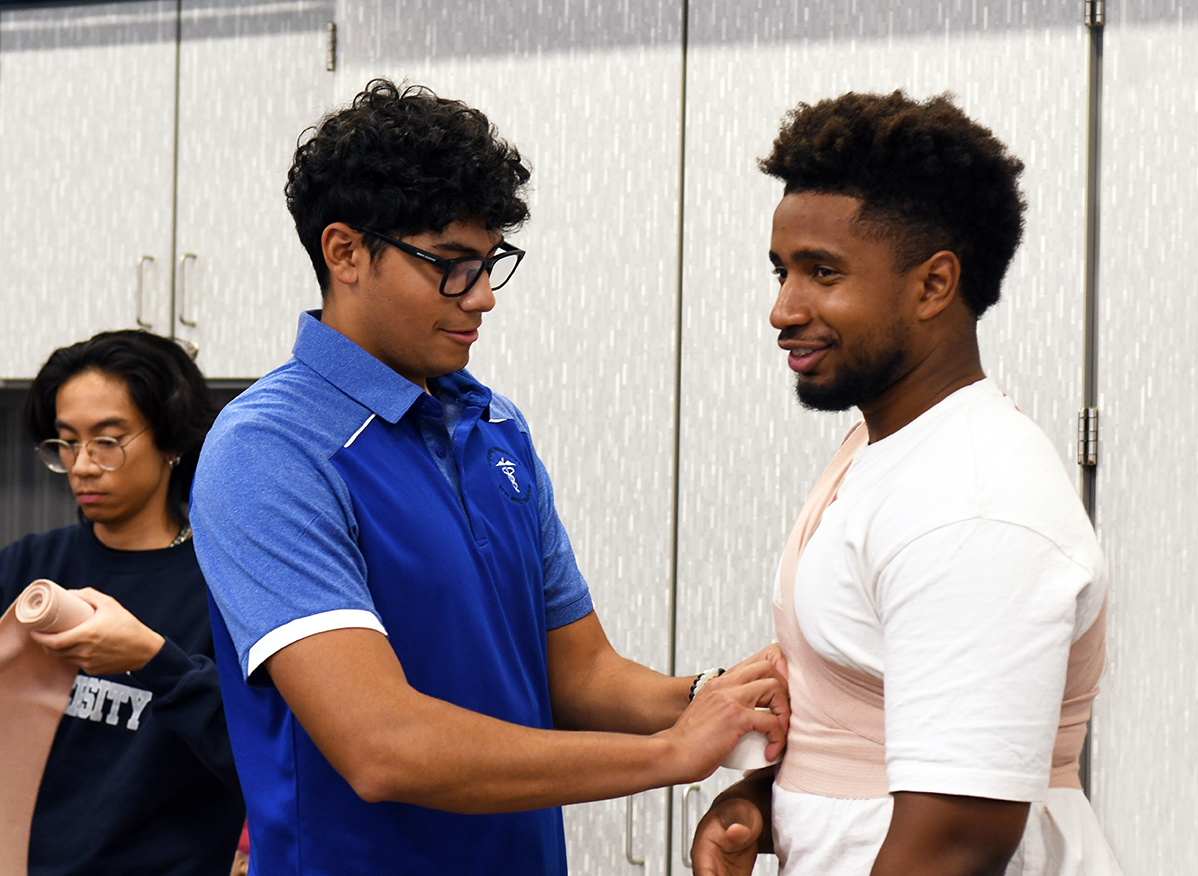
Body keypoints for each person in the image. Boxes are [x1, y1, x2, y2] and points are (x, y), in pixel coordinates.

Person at [189, 78, 788, 876]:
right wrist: (672, 755)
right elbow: (383, 746)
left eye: (490, 263)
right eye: (449, 265)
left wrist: (713, 698)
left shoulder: (492, 423)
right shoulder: (270, 450)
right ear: (344, 252)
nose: (480, 298)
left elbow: (580, 674)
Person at [690, 91, 1122, 876]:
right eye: (781, 271)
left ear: (932, 286)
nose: (782, 309)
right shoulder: (886, 446)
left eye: (822, 273)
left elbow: (955, 841)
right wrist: (764, 799)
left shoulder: (974, 502)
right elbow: (876, 726)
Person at [0, 330, 245, 876]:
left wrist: (155, 659)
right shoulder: (28, 569)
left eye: (107, 440)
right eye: (66, 443)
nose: (83, 464)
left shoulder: (228, 586)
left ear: (172, 442)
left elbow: (264, 756)